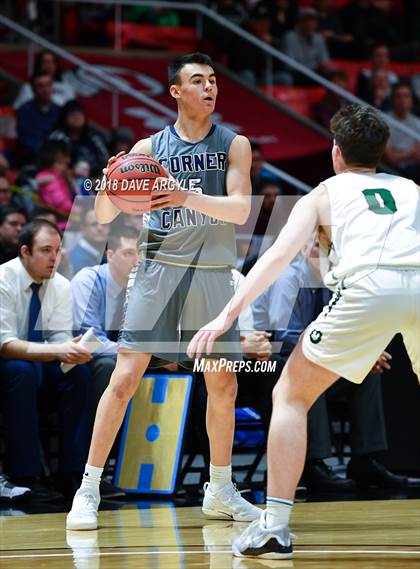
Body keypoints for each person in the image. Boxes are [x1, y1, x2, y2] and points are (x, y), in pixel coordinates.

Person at [187, 104, 419, 559]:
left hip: (368, 286)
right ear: (382, 151)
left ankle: (274, 527)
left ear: (336, 152)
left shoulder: (323, 193)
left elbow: (275, 259)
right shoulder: (411, 189)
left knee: (291, 394)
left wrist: (226, 315)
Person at [67, 52, 259, 531]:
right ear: (176, 91)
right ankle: (87, 488)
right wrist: (110, 185)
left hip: (214, 273)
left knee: (223, 383)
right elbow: (107, 217)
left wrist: (185, 195)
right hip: (158, 272)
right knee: (125, 378)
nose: (209, 88)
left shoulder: (235, 145)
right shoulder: (148, 148)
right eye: (198, 81)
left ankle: (219, 489)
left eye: (213, 80)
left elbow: (240, 211)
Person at [252, 239, 407, 491]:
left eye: (330, 248)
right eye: (318, 247)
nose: (325, 254)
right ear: (303, 248)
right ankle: (313, 463)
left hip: (312, 358)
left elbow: (344, 330)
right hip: (266, 370)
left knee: (366, 373)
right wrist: (342, 354)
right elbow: (284, 337)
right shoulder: (287, 279)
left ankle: (364, 459)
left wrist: (363, 355)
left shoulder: (334, 283)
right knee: (307, 371)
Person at [0, 220, 92, 501]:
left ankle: (73, 474)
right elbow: (5, 345)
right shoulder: (4, 279)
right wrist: (59, 350)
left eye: (58, 250)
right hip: (8, 367)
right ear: (25, 252)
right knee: (20, 371)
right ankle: (26, 475)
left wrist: (74, 352)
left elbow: (61, 342)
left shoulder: (61, 285)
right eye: (46, 250)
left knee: (78, 373)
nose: (54, 258)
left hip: (39, 366)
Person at [71, 224, 139, 419]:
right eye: (128, 253)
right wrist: (134, 352)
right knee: (109, 366)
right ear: (110, 255)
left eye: (141, 254)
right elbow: (90, 340)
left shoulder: (142, 285)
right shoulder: (88, 280)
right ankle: (102, 446)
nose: (137, 261)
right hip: (81, 357)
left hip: (122, 353)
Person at [49, 100, 108, 178]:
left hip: (95, 182)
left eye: (80, 114)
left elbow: (106, 163)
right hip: (64, 181)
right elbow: (51, 165)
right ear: (64, 117)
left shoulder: (94, 139)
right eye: (72, 114)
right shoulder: (57, 138)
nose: (76, 117)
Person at [16, 72, 61, 164]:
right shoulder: (25, 110)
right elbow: (26, 141)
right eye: (40, 86)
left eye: (48, 85)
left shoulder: (60, 111)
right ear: (33, 89)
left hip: (56, 159)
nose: (45, 89)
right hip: (30, 160)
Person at [282, 7, 333, 86]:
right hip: (298, 74)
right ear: (299, 22)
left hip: (316, 73)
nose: (309, 24)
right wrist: (312, 68)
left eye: (312, 20)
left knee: (335, 76)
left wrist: (323, 66)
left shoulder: (318, 38)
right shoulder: (290, 37)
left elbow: (325, 60)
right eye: (306, 20)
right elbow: (289, 65)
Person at [383, 82, 420, 183]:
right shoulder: (384, 121)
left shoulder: (417, 123)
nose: (402, 100)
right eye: (398, 96)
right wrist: (412, 152)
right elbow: (391, 158)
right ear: (392, 99)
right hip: (392, 170)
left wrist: (400, 153)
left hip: (415, 168)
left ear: (411, 100)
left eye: (406, 96)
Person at [35, 140, 75, 228]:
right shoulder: (49, 178)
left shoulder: (60, 177)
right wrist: (74, 209)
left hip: (65, 218)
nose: (67, 164)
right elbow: (59, 201)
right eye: (60, 163)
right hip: (58, 221)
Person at [68, 208, 110, 275]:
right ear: (83, 229)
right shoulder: (77, 259)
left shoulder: (109, 252)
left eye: (104, 224)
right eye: (94, 224)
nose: (100, 228)